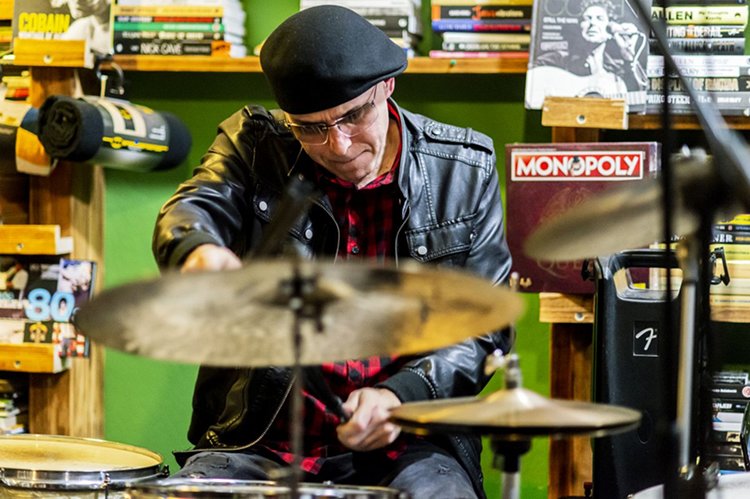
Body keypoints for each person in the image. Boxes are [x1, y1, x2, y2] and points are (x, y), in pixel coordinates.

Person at [152, 5, 512, 499]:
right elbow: (191, 208)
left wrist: (400, 395)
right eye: (309, 128)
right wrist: (198, 252)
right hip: (262, 442)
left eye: (353, 116)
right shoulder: (254, 145)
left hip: (409, 443)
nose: (338, 145)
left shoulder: (463, 169)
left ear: (387, 87)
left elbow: (483, 329)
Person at [532, 0, 647, 102]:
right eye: (587, 19)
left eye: (599, 18)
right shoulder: (560, 59)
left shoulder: (618, 68)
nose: (592, 23)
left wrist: (628, 58)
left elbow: (636, 98)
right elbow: (534, 81)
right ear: (580, 26)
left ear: (610, 29)